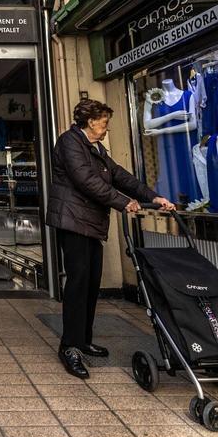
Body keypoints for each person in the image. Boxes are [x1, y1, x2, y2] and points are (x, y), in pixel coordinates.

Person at [47, 98, 175, 378]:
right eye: (104, 123)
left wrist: (152, 196)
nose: (106, 128)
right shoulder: (70, 142)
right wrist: (122, 202)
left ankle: (83, 339)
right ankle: (69, 347)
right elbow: (85, 181)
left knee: (92, 283)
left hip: (90, 223)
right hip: (73, 221)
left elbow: (119, 175)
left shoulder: (95, 147)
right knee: (78, 284)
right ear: (91, 121)